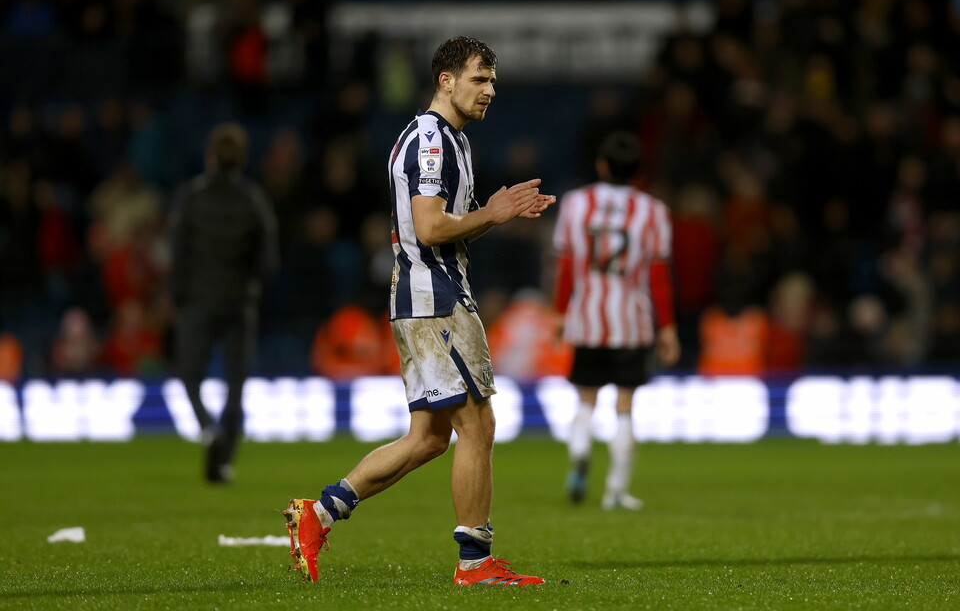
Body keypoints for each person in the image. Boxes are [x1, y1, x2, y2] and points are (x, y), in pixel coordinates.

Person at [282, 36, 555, 586]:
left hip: (425, 294)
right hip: (435, 297)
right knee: (477, 425)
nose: (490, 90)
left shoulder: (446, 139)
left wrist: (488, 214)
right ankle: (476, 563)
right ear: (445, 81)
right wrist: (494, 213)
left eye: (493, 81)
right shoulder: (431, 142)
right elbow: (429, 228)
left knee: (429, 437)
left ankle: (319, 513)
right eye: (480, 79)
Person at [552, 131, 681, 510]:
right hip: (632, 321)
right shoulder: (653, 211)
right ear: (637, 170)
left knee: (586, 401)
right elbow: (658, 275)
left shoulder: (577, 204)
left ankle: (579, 454)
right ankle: (615, 491)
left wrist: (559, 315)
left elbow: (565, 266)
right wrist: (668, 327)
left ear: (601, 165)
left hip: (587, 317)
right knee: (624, 405)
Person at [169, 123, 279, 483]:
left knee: (189, 376)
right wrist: (253, 289)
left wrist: (179, 295)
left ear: (211, 156)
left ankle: (207, 429)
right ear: (243, 158)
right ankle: (224, 460)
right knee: (235, 385)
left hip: (199, 300)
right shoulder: (253, 199)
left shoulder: (192, 196)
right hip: (239, 302)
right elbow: (268, 260)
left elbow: (178, 250)